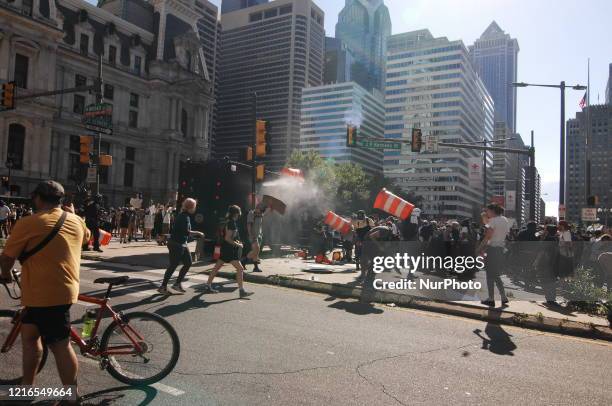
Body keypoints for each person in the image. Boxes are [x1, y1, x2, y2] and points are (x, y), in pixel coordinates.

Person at [0, 180, 90, 401]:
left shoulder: (29, 223)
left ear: (37, 198)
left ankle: (72, 396)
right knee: (29, 336)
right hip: (52, 293)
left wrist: (4, 274)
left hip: (47, 294)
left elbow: (7, 258)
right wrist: (75, 215)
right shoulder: (76, 221)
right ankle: (27, 388)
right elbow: (87, 238)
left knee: (60, 345)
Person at [157, 198, 203, 294]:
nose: (195, 209)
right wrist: (198, 233)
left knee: (188, 263)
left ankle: (177, 284)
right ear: (190, 207)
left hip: (182, 243)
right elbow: (186, 232)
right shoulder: (183, 217)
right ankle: (163, 286)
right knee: (173, 265)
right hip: (176, 244)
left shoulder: (185, 216)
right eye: (194, 207)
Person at [206, 205, 253, 298]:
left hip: (226, 248)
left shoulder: (229, 221)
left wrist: (237, 241)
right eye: (239, 212)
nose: (240, 214)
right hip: (229, 250)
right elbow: (227, 238)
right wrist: (238, 244)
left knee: (217, 267)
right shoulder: (232, 223)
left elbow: (229, 237)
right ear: (236, 213)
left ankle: (208, 285)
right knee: (240, 269)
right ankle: (241, 291)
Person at [477, 203, 510, 307]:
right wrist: (484, 218)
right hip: (500, 250)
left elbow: (487, 237)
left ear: (492, 211)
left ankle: (491, 298)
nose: (486, 213)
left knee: (489, 275)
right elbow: (489, 224)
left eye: (487, 211)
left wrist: (478, 249)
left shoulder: (493, 221)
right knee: (496, 274)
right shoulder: (504, 219)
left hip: (492, 250)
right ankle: (504, 297)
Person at [244, 203, 269, 272]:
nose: (261, 210)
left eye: (262, 209)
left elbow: (263, 216)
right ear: (257, 207)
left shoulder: (260, 214)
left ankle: (249, 264)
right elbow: (249, 225)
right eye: (260, 209)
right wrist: (251, 235)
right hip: (253, 235)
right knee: (256, 250)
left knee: (256, 252)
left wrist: (269, 209)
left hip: (259, 235)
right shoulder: (251, 213)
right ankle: (248, 264)